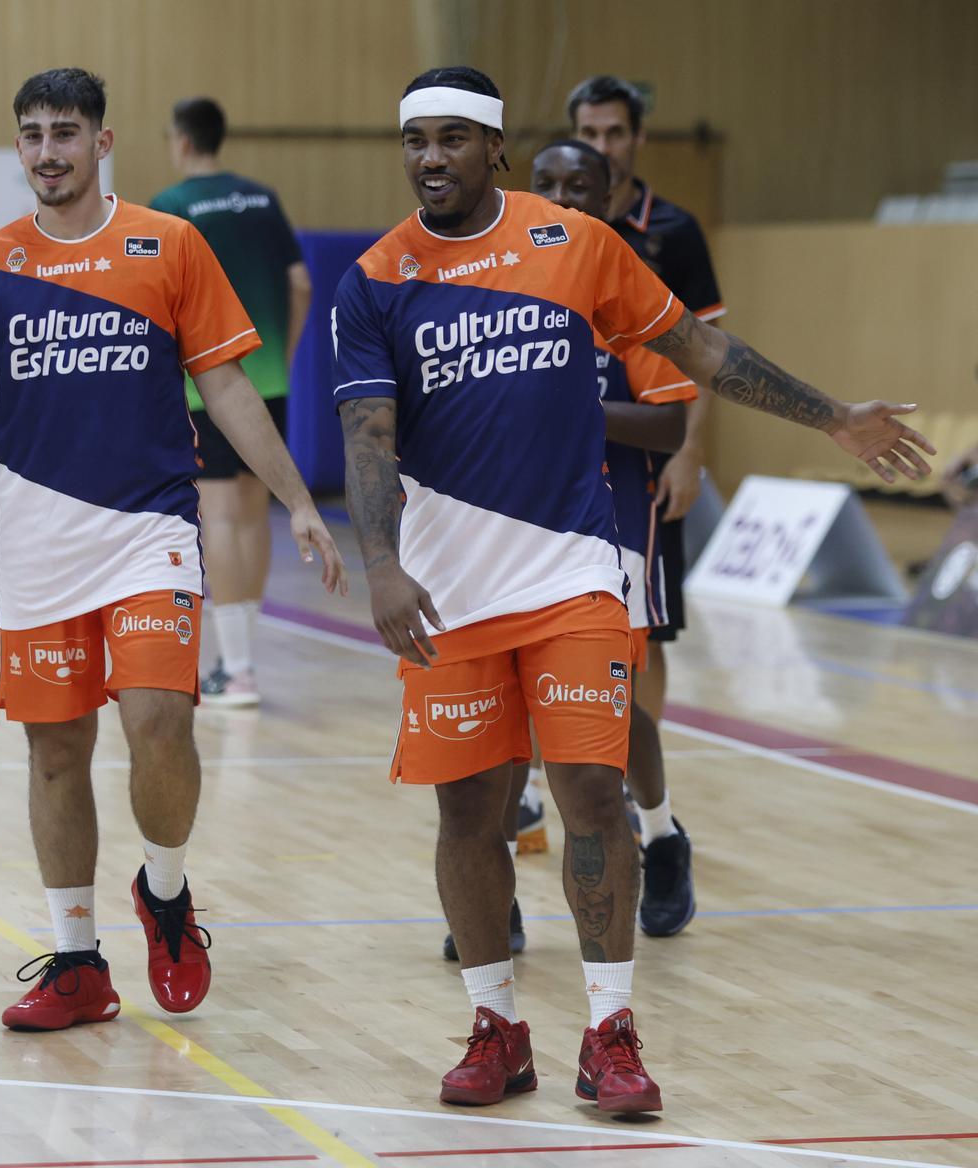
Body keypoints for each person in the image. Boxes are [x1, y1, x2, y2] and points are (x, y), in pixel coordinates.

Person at [332, 65, 931, 1113]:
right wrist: (381, 562)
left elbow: (700, 348)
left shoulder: (577, 246)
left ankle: (609, 1031)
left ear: (496, 151)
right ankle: (498, 1026)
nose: (431, 158)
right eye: (415, 141)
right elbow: (367, 435)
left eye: (452, 140)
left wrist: (832, 414)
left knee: (592, 797)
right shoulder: (376, 279)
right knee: (468, 814)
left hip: (572, 577)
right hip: (451, 597)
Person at [0, 68, 344, 1033]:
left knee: (160, 724)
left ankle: (166, 894)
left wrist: (298, 497)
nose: (48, 150)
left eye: (66, 131)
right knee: (55, 753)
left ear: (102, 142)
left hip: (150, 534)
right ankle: (79, 962)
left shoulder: (169, 244)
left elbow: (225, 388)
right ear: (19, 148)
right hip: (38, 544)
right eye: (32, 134)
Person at [531, 139, 698, 937]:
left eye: (580, 186)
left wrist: (575, 414)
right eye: (547, 185)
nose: (564, 198)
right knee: (503, 717)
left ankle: (661, 834)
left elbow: (669, 421)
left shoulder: (628, 292)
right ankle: (491, 898)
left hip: (611, 527)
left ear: (608, 194)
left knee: (617, 707)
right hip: (505, 527)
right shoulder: (489, 287)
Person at [567, 75, 723, 731]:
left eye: (614, 133)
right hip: (562, 463)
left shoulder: (675, 232)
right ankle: (546, 790)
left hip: (646, 457)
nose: (602, 145)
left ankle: (638, 793)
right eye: (589, 133)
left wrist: (688, 452)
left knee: (646, 627)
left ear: (638, 137)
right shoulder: (550, 226)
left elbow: (709, 351)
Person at [151, 98, 313, 707]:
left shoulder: (172, 207)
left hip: (207, 387)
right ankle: (243, 664)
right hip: (269, 380)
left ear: (183, 141)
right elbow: (300, 283)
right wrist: (286, 357)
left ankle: (236, 668)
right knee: (253, 513)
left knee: (217, 515)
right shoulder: (263, 198)